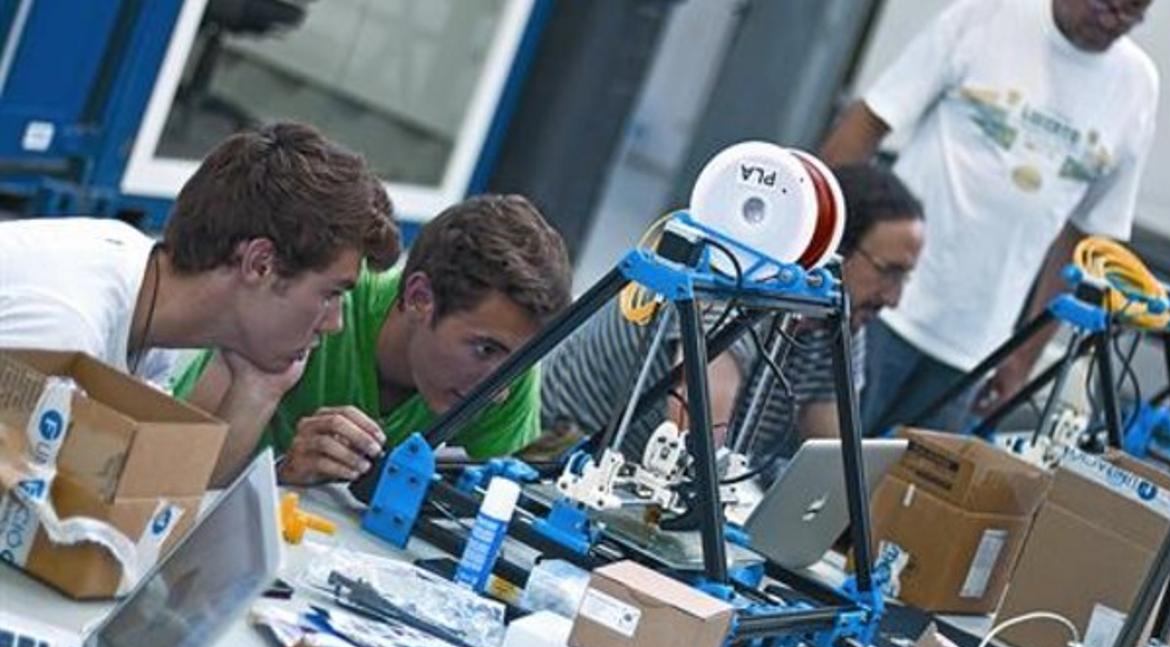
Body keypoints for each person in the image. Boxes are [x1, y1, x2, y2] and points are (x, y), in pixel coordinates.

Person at [821, 0, 1159, 434]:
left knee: (904, 496)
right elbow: (870, 120)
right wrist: (817, 253)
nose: (1113, 22)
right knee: (814, 466)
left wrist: (1022, 359)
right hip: (879, 310)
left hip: (975, 351)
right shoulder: (988, 14)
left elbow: (1087, 244)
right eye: (1105, 5)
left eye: (1131, 13)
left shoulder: (1138, 87)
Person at [0, 122, 400, 485]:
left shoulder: (150, 296)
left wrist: (259, 387)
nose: (334, 324)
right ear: (260, 264)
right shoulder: (63, 328)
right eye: (330, 294)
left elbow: (155, 493)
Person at [539, 164, 924, 475]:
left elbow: (836, 468)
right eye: (888, 271)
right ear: (833, 255)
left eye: (904, 277)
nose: (894, 298)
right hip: (555, 454)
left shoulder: (841, 317)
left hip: (631, 477)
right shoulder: (734, 290)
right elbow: (696, 450)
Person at [175, 194, 573, 487]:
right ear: (420, 298)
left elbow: (490, 514)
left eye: (517, 364)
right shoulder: (317, 306)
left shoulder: (511, 362)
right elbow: (164, 475)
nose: (500, 391)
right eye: (484, 350)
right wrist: (282, 474)